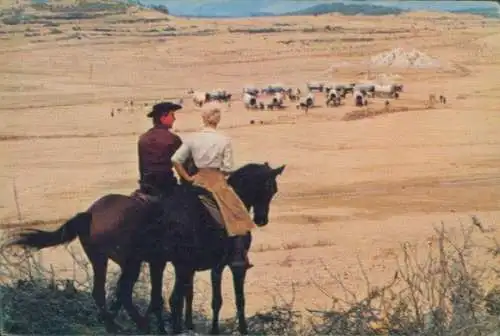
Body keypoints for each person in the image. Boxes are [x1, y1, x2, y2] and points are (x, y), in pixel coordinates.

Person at [171, 106, 255, 269]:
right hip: (217, 182)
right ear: (218, 120)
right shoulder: (224, 140)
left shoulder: (193, 138)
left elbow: (176, 160)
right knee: (238, 214)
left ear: (203, 118)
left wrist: (187, 177)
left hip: (197, 181)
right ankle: (238, 256)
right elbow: (228, 168)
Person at [137, 101, 183, 198]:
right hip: (166, 186)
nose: (174, 119)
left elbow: (142, 167)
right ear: (163, 118)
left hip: (146, 186)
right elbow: (185, 164)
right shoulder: (172, 139)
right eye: (172, 115)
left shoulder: (143, 138)